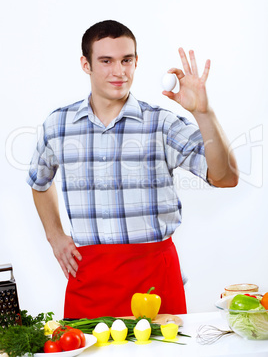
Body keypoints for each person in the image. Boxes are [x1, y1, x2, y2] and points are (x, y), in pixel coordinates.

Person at [27, 20, 239, 319]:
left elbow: (226, 177)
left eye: (127, 60)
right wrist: (55, 236)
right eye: (106, 61)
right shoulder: (58, 125)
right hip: (90, 279)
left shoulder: (161, 124)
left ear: (136, 61)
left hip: (154, 277)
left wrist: (203, 113)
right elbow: (39, 181)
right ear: (85, 64)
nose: (119, 71)